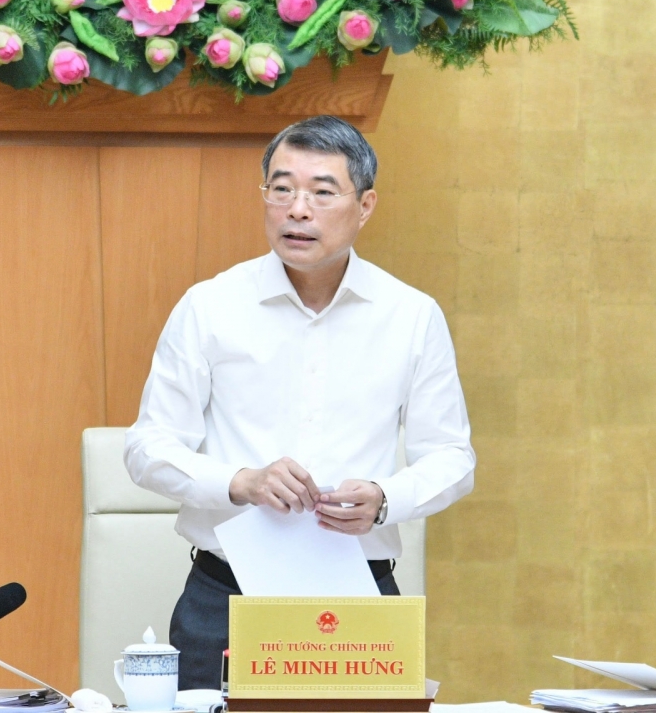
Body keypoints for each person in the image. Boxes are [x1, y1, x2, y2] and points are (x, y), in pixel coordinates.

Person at [124, 115, 476, 690]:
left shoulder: (411, 315)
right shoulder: (210, 306)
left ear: (365, 206)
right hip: (225, 598)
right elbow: (147, 448)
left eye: (322, 192)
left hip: (360, 593)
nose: (297, 210)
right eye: (282, 189)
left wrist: (385, 499)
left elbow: (452, 457)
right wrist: (242, 482)